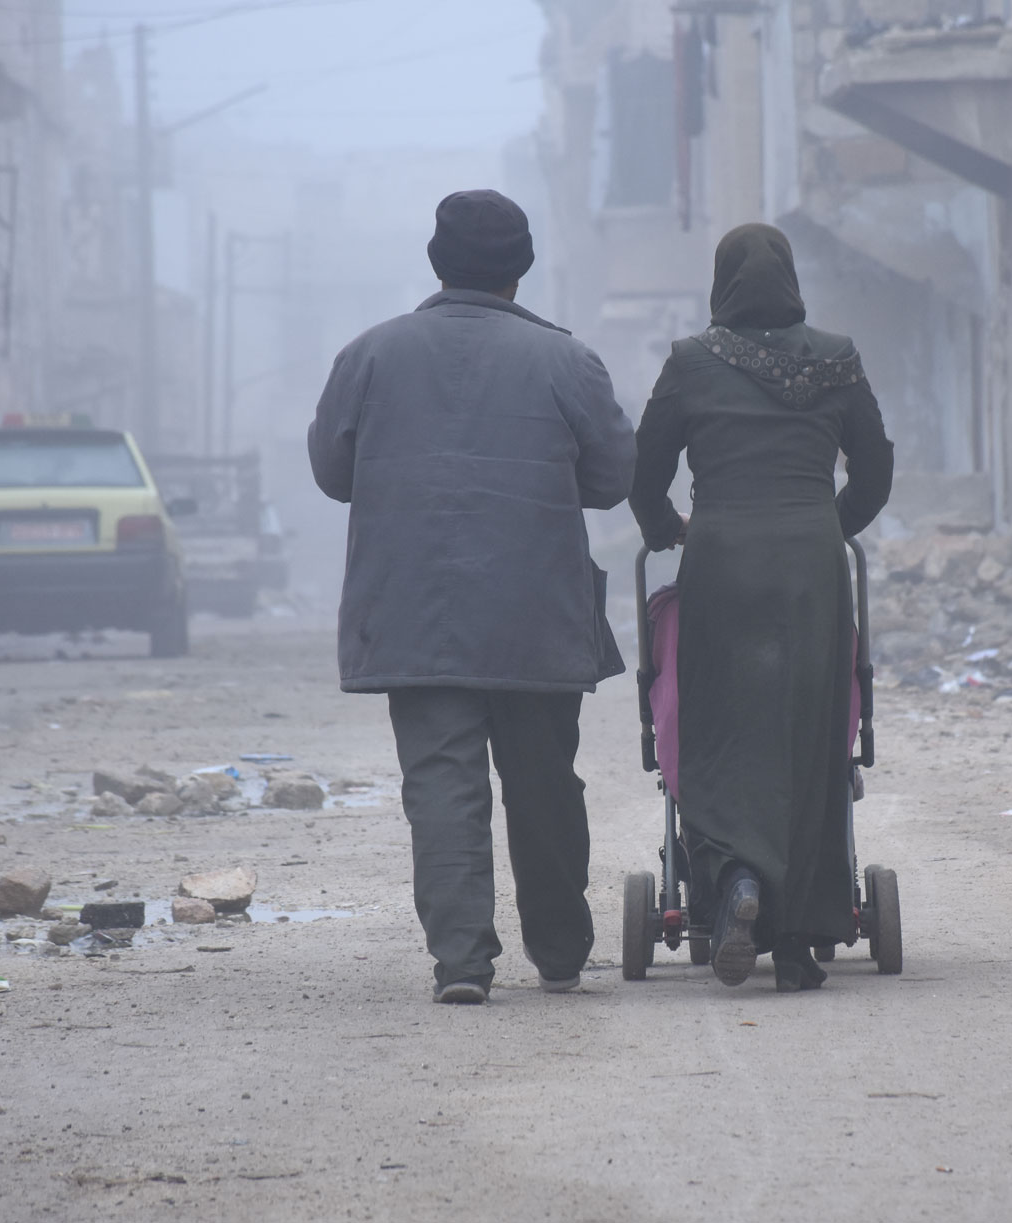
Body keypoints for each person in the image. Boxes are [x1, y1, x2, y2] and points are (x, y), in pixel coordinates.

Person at [309, 189, 637, 1005]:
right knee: (544, 785)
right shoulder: (567, 362)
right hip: (537, 615)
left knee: (442, 787)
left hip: (416, 615)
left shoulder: (369, 356)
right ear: (521, 271)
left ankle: (461, 961)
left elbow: (332, 474)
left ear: (435, 262)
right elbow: (612, 479)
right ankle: (560, 951)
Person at [629, 223, 894, 992]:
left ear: (723, 284)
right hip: (812, 573)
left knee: (722, 735)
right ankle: (800, 938)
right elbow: (874, 472)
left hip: (721, 568)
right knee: (810, 746)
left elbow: (644, 472)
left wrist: (665, 530)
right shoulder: (838, 357)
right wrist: (822, 528)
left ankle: (738, 882)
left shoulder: (690, 362)